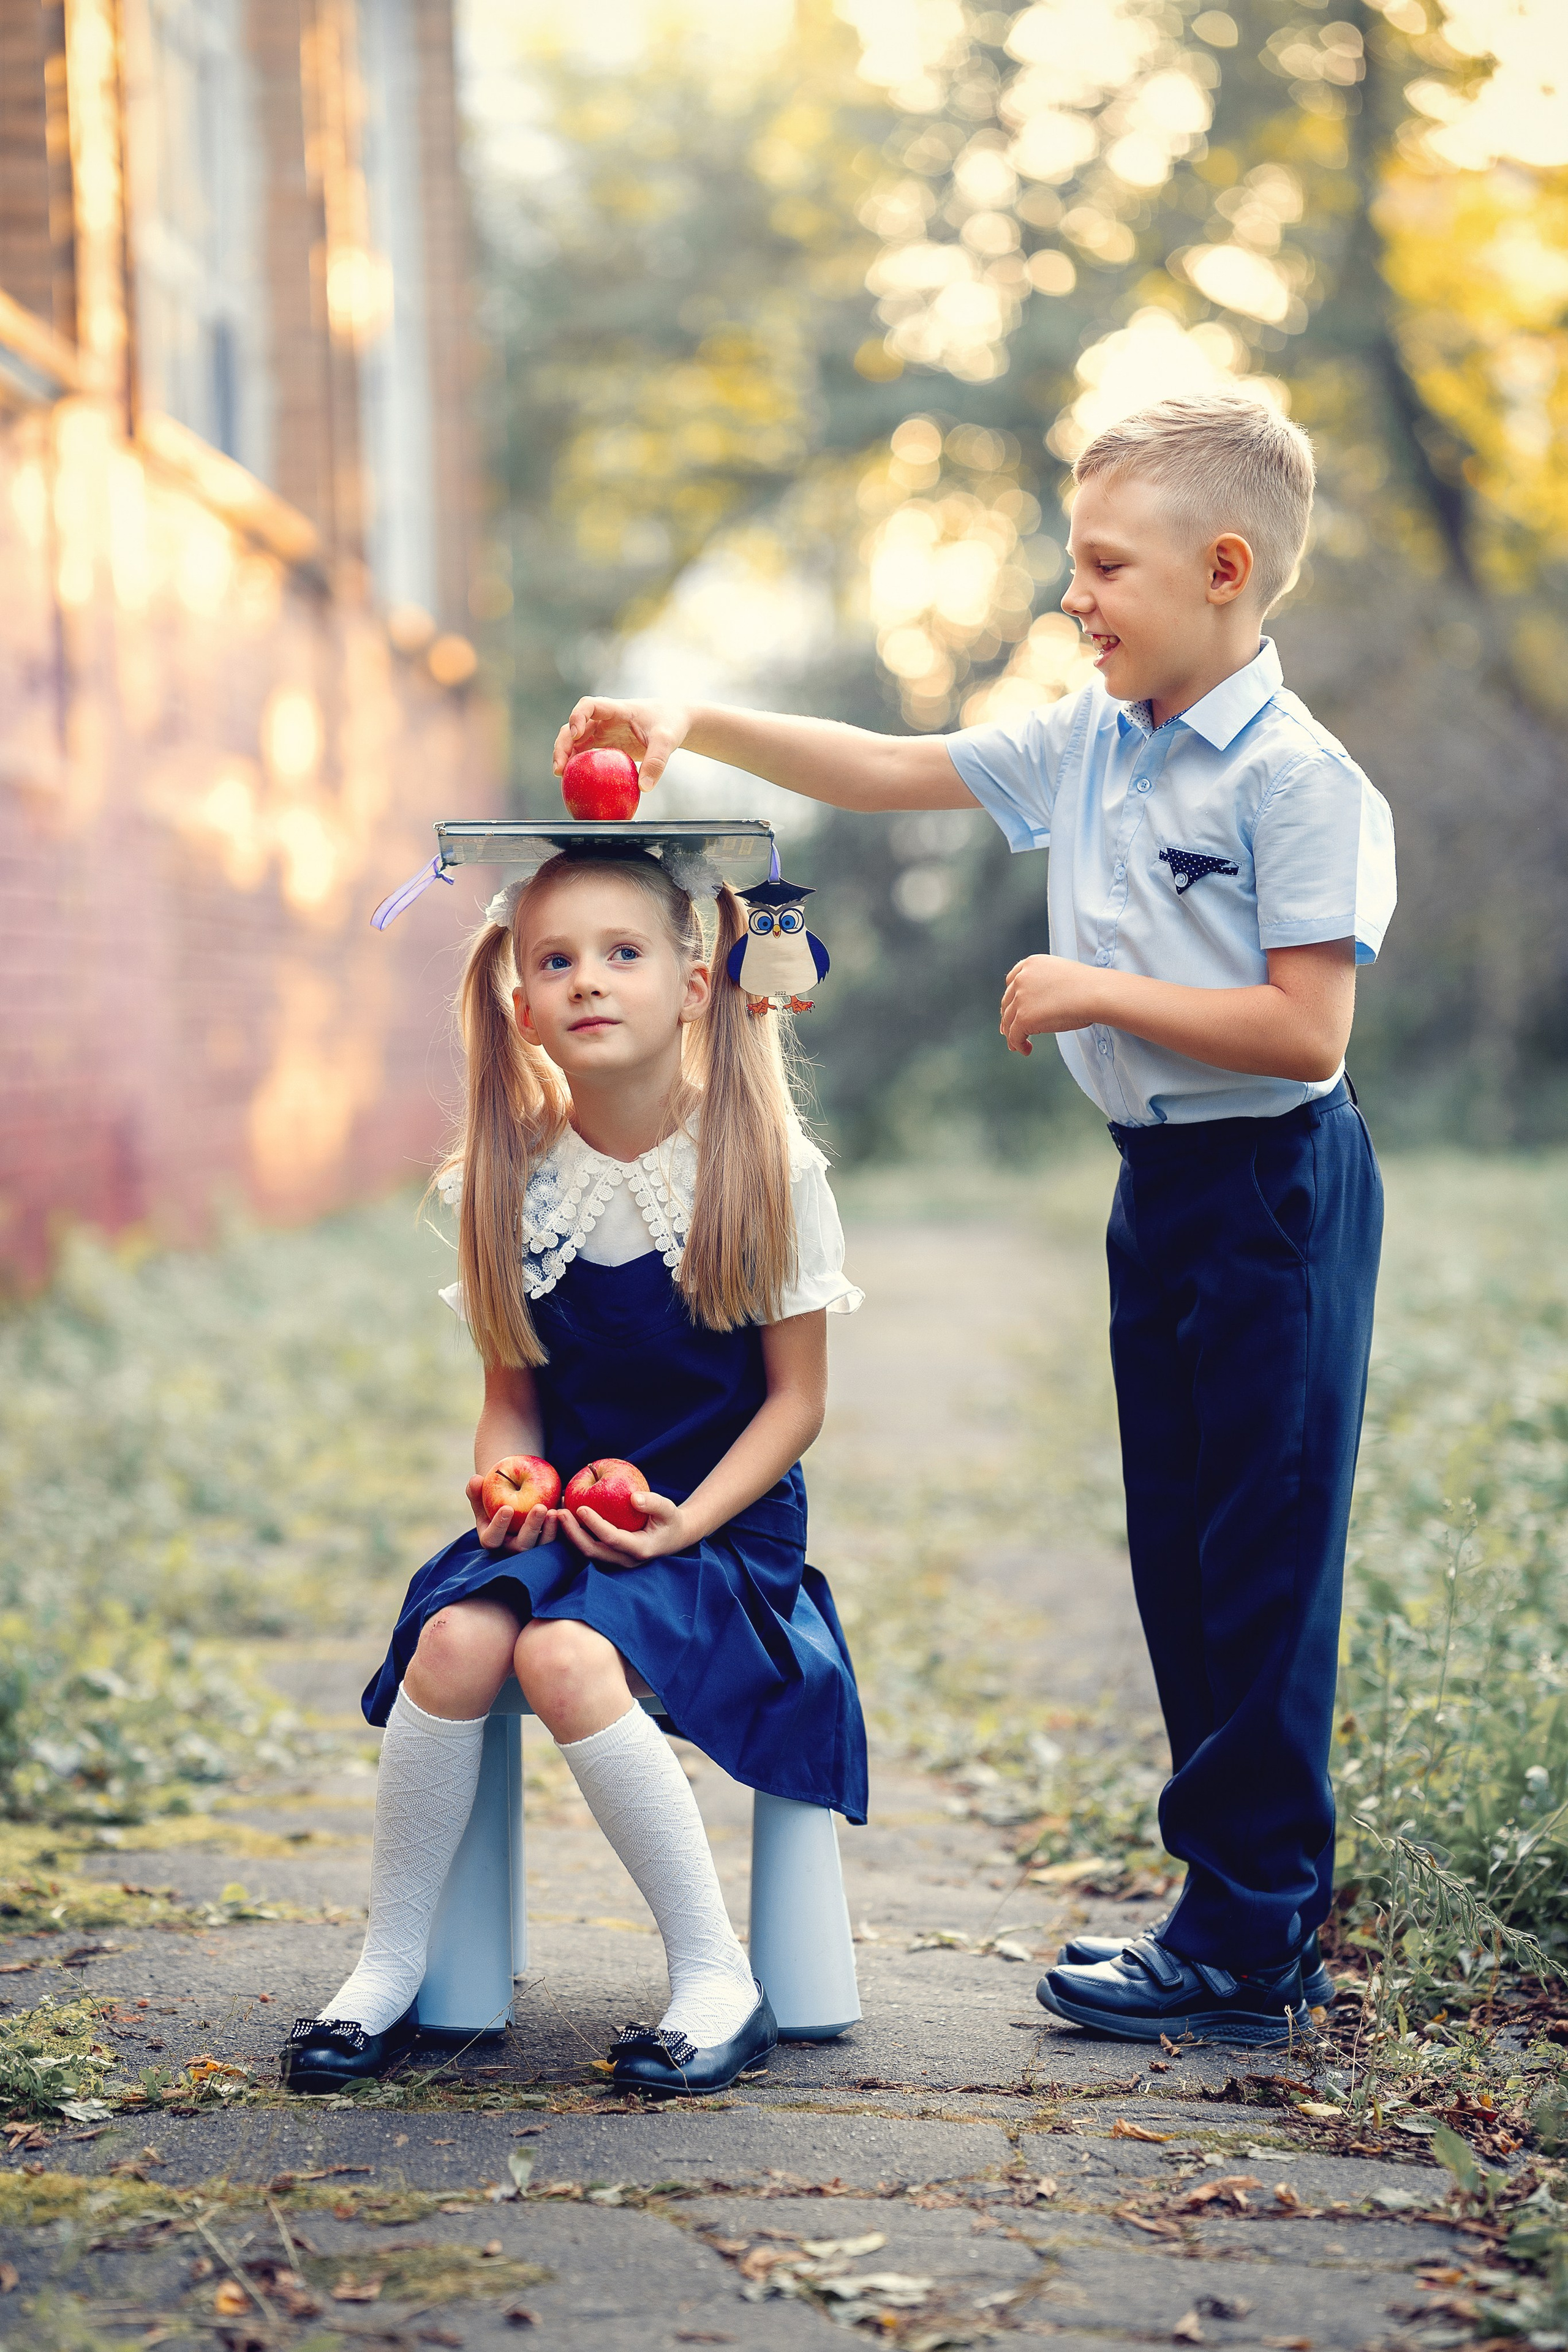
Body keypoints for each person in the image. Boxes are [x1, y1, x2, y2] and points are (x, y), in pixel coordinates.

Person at [551, 391, 1396, 2048]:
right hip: (1161, 1190)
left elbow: (1309, 1034)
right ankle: (1230, 1906)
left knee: (1263, 1554)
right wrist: (692, 719)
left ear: (1225, 570)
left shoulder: (1302, 781)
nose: (1075, 596)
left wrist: (1103, 988)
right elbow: (883, 769)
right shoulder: (1093, 737)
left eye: (1105, 565)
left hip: (1276, 1188)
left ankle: (1250, 1930)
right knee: (1179, 1544)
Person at [282, 847, 866, 2096]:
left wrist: (675, 1526)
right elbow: (508, 1406)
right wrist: (507, 1490)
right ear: (520, 1000)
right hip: (564, 1525)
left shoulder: (760, 1165)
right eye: (555, 960)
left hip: (718, 1529)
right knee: (451, 1645)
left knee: (557, 1653)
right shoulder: (508, 1180)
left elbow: (795, 1406)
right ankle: (388, 1968)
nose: (587, 982)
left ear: (695, 983)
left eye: (622, 953)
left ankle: (716, 1977)